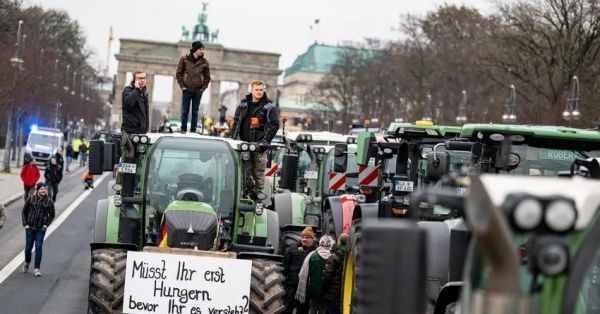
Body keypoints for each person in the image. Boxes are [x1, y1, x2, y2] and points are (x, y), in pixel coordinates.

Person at [230, 80, 280, 197]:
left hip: (259, 147)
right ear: (251, 90)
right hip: (242, 145)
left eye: (261, 90)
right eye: (256, 90)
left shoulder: (269, 107)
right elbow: (236, 123)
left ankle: (258, 199)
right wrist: (231, 139)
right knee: (242, 172)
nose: (259, 92)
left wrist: (265, 142)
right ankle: (244, 195)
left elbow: (275, 125)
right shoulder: (243, 105)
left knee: (258, 174)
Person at [176, 41, 211, 134]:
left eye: (202, 49)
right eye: (200, 49)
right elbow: (178, 73)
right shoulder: (184, 59)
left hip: (198, 90)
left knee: (195, 112)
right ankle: (183, 130)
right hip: (186, 89)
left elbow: (207, 77)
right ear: (195, 49)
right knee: (185, 111)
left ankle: (193, 130)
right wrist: (182, 86)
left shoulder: (204, 62)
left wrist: (202, 89)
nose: (202, 51)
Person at [22, 182, 55, 277]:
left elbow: (52, 215)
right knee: (28, 248)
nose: (43, 190)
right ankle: (27, 262)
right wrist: (26, 224)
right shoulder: (31, 199)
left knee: (38, 247)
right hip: (30, 227)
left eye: (44, 189)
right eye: (41, 189)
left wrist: (46, 225)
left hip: (40, 229)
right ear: (37, 190)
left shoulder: (49, 201)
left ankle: (37, 268)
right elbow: (24, 212)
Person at [283, 226, 318, 314]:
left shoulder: (316, 250)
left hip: (306, 287)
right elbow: (286, 264)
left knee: (303, 309)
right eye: (303, 237)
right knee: (288, 307)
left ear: (312, 239)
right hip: (292, 284)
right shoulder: (293, 248)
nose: (304, 239)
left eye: (307, 237)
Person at [296, 235, 334, 314]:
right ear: (331, 245)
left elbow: (303, 274)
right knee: (322, 310)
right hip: (326, 291)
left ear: (320, 244)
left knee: (312, 309)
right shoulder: (333, 257)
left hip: (313, 290)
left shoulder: (312, 256)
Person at [323, 233, 349, 314]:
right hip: (346, 293)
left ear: (339, 241)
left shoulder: (334, 256)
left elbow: (327, 275)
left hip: (332, 293)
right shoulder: (350, 255)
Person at [121, 69, 150, 135]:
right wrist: (136, 89)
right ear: (134, 80)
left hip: (141, 132)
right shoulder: (128, 90)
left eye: (144, 78)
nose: (142, 80)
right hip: (130, 132)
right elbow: (128, 104)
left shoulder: (144, 94)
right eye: (140, 78)